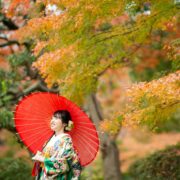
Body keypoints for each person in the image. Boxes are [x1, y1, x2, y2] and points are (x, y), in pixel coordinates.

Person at [32, 110, 82, 180]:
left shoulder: (66, 140)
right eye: (52, 118)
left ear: (64, 123)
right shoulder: (50, 140)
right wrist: (40, 157)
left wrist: (43, 159)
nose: (52, 121)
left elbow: (65, 164)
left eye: (56, 118)